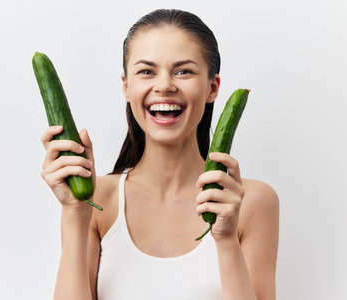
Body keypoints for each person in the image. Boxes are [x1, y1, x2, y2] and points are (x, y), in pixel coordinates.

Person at [40, 8, 279, 300]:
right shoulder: (95, 201)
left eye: (184, 71)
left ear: (212, 88)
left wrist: (226, 239)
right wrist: (75, 214)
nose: (164, 85)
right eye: (146, 71)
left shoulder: (252, 201)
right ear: (126, 87)